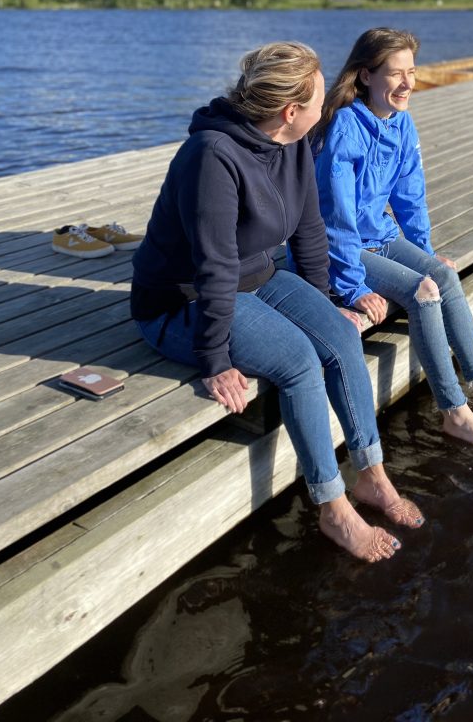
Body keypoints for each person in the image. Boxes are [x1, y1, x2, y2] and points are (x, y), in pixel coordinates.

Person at [131, 42, 423, 563]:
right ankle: (332, 508)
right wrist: (214, 358)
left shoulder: (292, 144)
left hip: (258, 275)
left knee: (340, 336)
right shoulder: (213, 156)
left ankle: (372, 475)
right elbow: (215, 266)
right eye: (317, 99)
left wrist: (327, 301)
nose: (328, 104)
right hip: (186, 300)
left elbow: (310, 230)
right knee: (298, 362)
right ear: (291, 111)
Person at [312, 28, 473, 451]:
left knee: (443, 277)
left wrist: (424, 254)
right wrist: (352, 287)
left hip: (380, 235)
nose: (407, 84)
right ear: (365, 76)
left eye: (412, 72)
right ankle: (455, 413)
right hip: (340, 249)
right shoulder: (344, 127)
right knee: (424, 290)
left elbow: (410, 197)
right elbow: (335, 219)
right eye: (395, 74)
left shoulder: (402, 123)